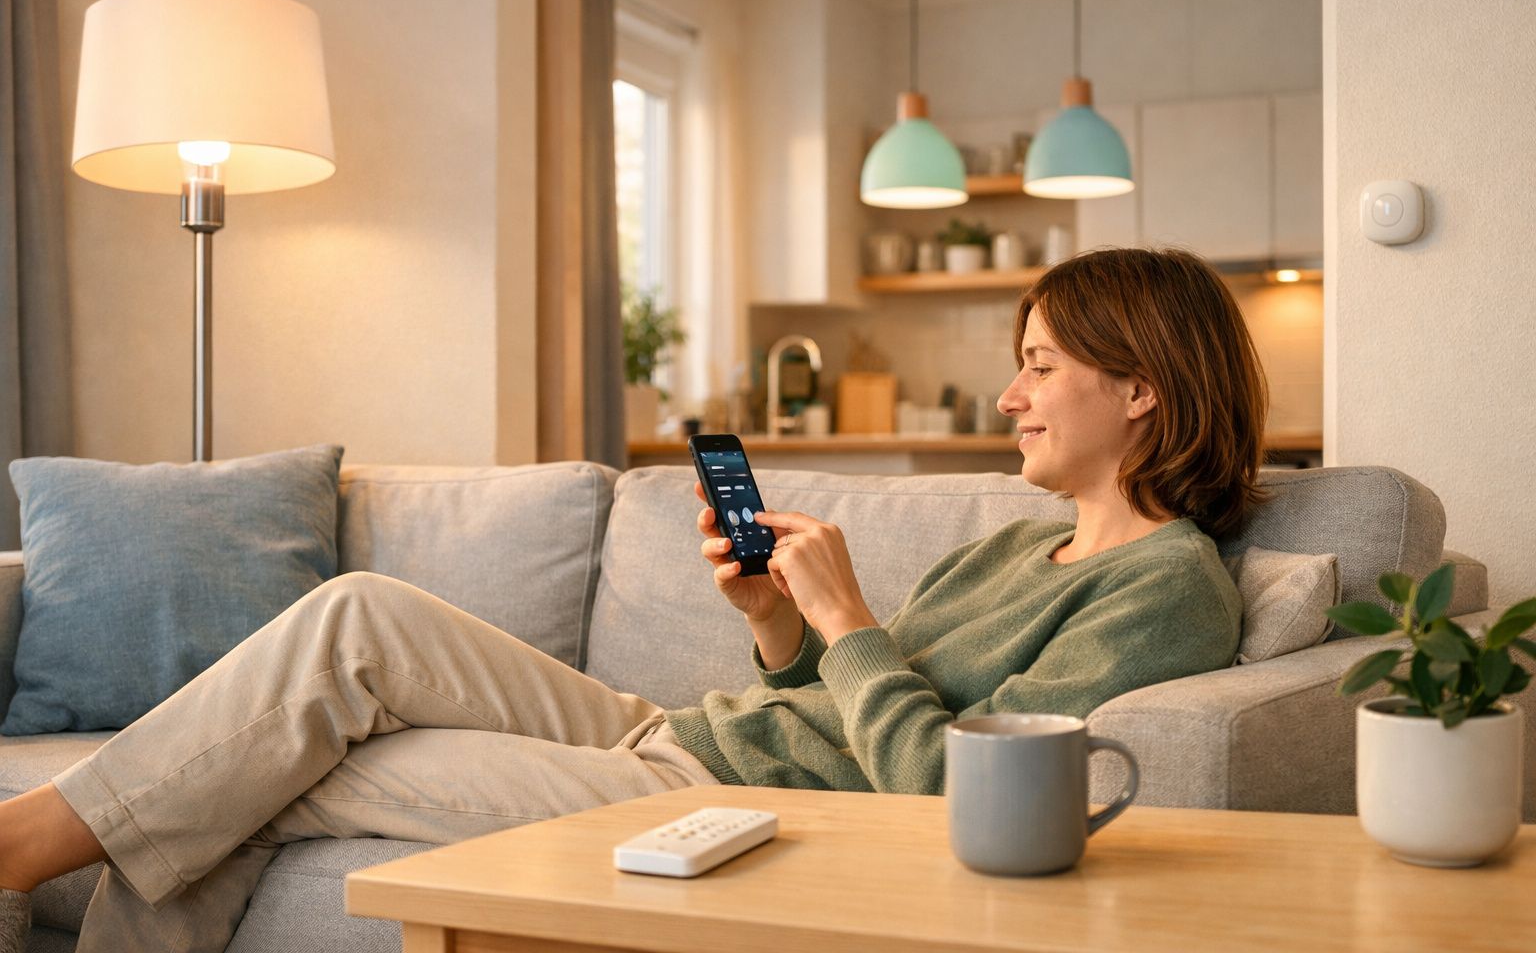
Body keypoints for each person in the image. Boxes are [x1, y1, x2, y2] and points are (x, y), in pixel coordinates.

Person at [0, 245, 1268, 951]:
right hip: (671, 732)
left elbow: (946, 800)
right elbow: (824, 700)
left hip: (739, 807)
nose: (1010, 397)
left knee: (290, 771)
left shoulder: (1166, 590)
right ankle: (28, 840)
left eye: (1039, 367)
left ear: (1143, 385)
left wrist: (848, 622)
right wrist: (781, 622)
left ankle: (18, 850)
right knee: (359, 617)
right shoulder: (1011, 545)